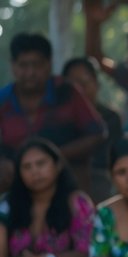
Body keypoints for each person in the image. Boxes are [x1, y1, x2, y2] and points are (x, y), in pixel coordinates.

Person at [0, 33, 106, 194]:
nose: (30, 72)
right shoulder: (3, 100)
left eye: (37, 65)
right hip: (16, 190)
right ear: (13, 66)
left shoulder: (68, 92)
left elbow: (98, 134)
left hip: (68, 185)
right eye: (23, 65)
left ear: (49, 64)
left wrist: (55, 156)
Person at [60, 57, 121, 201]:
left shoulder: (110, 118)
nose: (79, 90)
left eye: (83, 83)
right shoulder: (57, 119)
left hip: (100, 185)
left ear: (97, 84)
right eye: (73, 85)